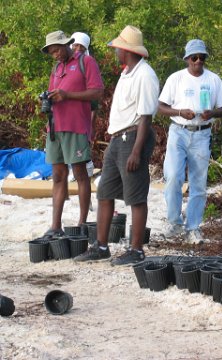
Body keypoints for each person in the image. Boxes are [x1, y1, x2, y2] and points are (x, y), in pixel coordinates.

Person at [74, 25, 159, 265]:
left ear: (127, 50)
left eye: (117, 48)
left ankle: (136, 249)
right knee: (104, 192)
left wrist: (136, 151)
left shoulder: (145, 74)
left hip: (132, 138)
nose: (115, 52)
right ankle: (101, 246)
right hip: (117, 138)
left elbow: (146, 117)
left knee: (136, 196)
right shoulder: (127, 72)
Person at [158, 39, 222, 244]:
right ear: (187, 59)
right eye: (194, 57)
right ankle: (174, 222)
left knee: (198, 182)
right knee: (173, 177)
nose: (198, 61)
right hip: (178, 131)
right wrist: (180, 112)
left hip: (202, 133)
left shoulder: (214, 80)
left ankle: (193, 227)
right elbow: (161, 106)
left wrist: (211, 113)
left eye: (202, 57)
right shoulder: (176, 79)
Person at [41, 30, 104, 237]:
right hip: (55, 128)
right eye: (51, 52)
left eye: (57, 50)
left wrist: (68, 95)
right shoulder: (56, 68)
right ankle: (55, 226)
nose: (55, 55)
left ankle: (82, 223)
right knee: (58, 176)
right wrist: (46, 100)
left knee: (80, 174)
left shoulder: (86, 62)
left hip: (76, 126)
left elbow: (97, 92)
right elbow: (54, 93)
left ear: (67, 44)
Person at [71, 32, 99, 142]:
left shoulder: (88, 65)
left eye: (82, 47)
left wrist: (91, 127)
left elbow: (94, 102)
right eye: (75, 45)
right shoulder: (60, 65)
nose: (78, 49)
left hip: (81, 122)